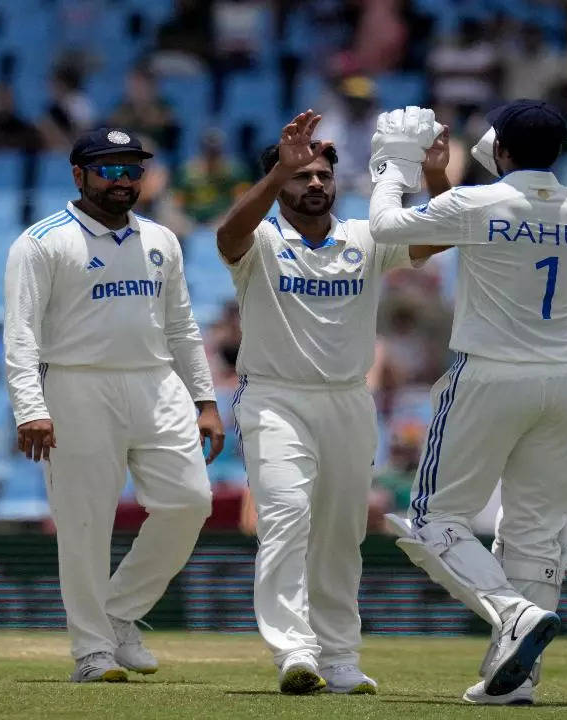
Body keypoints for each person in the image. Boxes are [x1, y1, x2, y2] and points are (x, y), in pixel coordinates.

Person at [368, 103, 567, 704]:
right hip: (562, 380)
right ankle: (518, 679)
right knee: (537, 529)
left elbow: (386, 228)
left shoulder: (476, 205)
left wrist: (393, 165)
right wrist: (445, 178)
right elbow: (489, 219)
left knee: (431, 518)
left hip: (487, 375)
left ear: (499, 148)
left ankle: (511, 612)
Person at [215, 110, 449, 695]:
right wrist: (276, 176)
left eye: (322, 175)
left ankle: (340, 656)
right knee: (287, 516)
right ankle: (294, 650)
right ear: (278, 184)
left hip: (348, 400)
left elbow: (444, 233)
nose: (315, 183)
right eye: (301, 176)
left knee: (342, 532)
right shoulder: (262, 241)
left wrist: (437, 176)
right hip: (274, 398)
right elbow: (227, 236)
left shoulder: (366, 237)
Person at [3, 128, 225, 682]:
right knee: (85, 524)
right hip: (76, 387)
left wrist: (204, 398)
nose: (125, 181)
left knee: (190, 502)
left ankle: (120, 614)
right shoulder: (41, 241)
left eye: (133, 170)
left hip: (155, 382)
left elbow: (182, 325)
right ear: (79, 175)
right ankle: (92, 652)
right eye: (111, 169)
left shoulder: (161, 238)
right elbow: (20, 335)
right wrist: (30, 407)